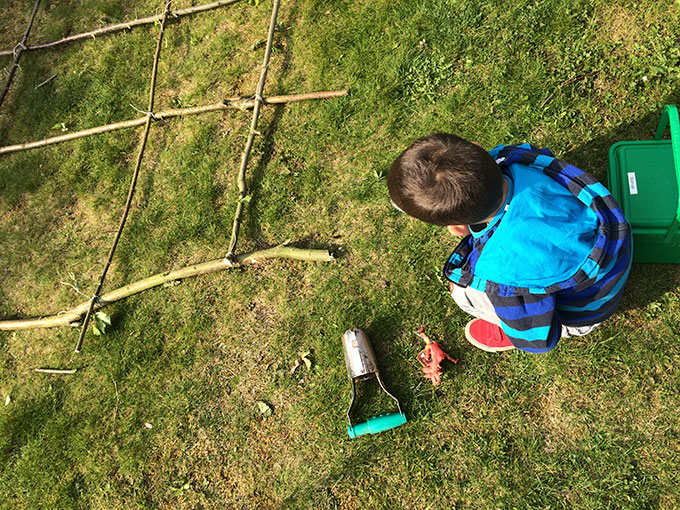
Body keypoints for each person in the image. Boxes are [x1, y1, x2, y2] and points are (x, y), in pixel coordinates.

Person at [387, 133, 632, 353]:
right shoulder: (520, 159)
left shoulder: (503, 271)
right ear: (479, 147)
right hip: (614, 246)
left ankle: (507, 331)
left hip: (587, 312)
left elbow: (538, 340)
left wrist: (521, 331)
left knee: (462, 293)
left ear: (454, 227)